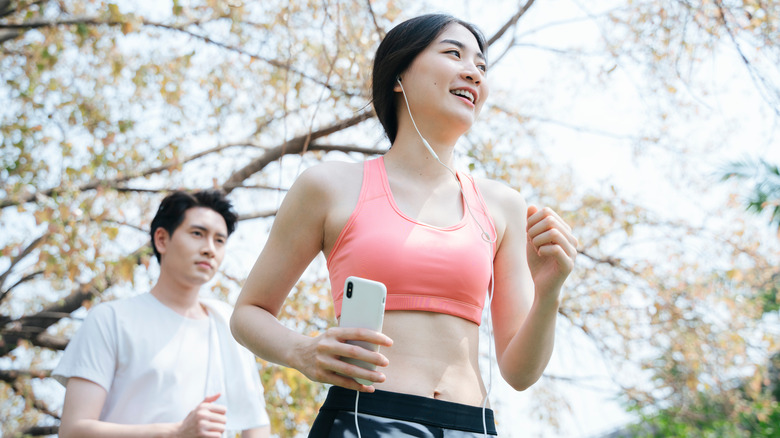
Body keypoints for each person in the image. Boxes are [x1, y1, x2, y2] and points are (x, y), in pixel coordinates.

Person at [230, 13, 578, 437]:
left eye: (482, 67)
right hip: (363, 420)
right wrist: (301, 351)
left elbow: (521, 374)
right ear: (398, 76)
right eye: (454, 53)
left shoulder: (503, 204)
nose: (474, 71)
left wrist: (550, 292)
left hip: (471, 426)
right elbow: (248, 313)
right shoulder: (329, 186)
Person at [54, 190, 271, 438]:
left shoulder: (231, 328)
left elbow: (256, 424)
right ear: (162, 240)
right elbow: (73, 431)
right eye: (198, 234)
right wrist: (175, 432)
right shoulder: (111, 319)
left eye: (219, 241)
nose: (210, 249)